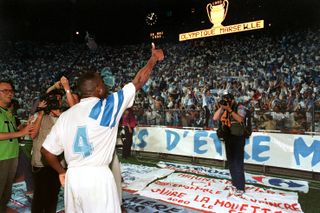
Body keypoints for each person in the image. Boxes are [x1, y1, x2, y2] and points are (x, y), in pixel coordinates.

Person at [40, 43, 164, 213]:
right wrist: (153, 59)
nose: (105, 85)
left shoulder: (66, 115)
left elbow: (46, 152)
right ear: (98, 88)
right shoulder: (108, 106)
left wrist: (61, 172)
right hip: (97, 178)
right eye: (102, 83)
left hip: (73, 178)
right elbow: (139, 81)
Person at [0, 80, 33, 213]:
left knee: (5, 194)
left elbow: (13, 132)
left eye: (11, 91)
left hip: (12, 156)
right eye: (5, 90)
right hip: (1, 157)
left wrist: (26, 126)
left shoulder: (8, 113)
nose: (10, 93)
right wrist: (21, 132)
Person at [30, 89, 64, 213]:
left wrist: (60, 115)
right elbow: (32, 135)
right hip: (41, 163)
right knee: (40, 195)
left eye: (60, 99)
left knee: (53, 194)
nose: (57, 102)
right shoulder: (39, 116)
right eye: (54, 99)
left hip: (57, 163)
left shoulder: (64, 117)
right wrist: (40, 113)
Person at [213, 93, 246, 196]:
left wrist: (230, 110)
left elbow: (240, 119)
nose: (226, 102)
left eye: (228, 100)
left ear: (232, 100)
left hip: (238, 137)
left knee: (238, 162)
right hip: (228, 137)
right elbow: (215, 118)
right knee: (231, 162)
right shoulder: (224, 108)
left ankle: (240, 187)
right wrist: (222, 108)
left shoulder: (240, 107)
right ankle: (235, 184)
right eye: (225, 100)